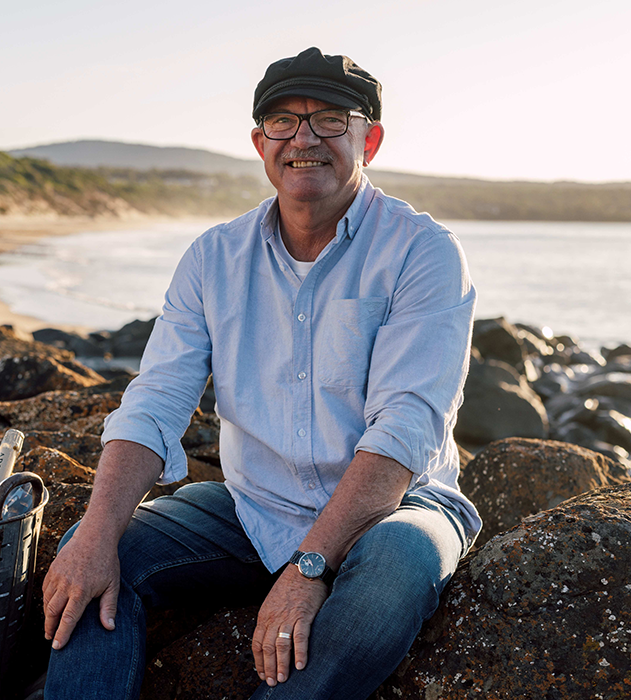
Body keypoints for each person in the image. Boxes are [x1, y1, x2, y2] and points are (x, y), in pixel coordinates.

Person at [40, 47, 480, 700]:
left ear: (371, 138)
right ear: (259, 142)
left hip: (396, 510)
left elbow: (405, 426)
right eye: (283, 121)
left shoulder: (423, 253)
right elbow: (156, 401)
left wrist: (308, 569)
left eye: (330, 119)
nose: (304, 138)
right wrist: (97, 536)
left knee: (395, 573)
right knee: (93, 549)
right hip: (253, 510)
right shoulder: (214, 259)